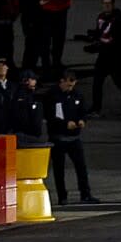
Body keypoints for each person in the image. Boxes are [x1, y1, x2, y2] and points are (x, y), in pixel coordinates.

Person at [46, 71, 96, 204]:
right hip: (58, 138)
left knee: (81, 167)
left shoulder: (77, 95)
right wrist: (64, 124)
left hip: (74, 138)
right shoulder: (52, 96)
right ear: (61, 81)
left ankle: (85, 194)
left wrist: (82, 120)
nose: (70, 88)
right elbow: (50, 116)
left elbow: (83, 112)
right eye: (68, 85)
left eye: (72, 85)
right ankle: (62, 196)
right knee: (59, 169)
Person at [6, 69, 47, 145]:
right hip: (25, 136)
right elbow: (22, 117)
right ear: (26, 80)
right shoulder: (21, 96)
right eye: (33, 79)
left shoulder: (31, 95)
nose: (35, 81)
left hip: (30, 135)